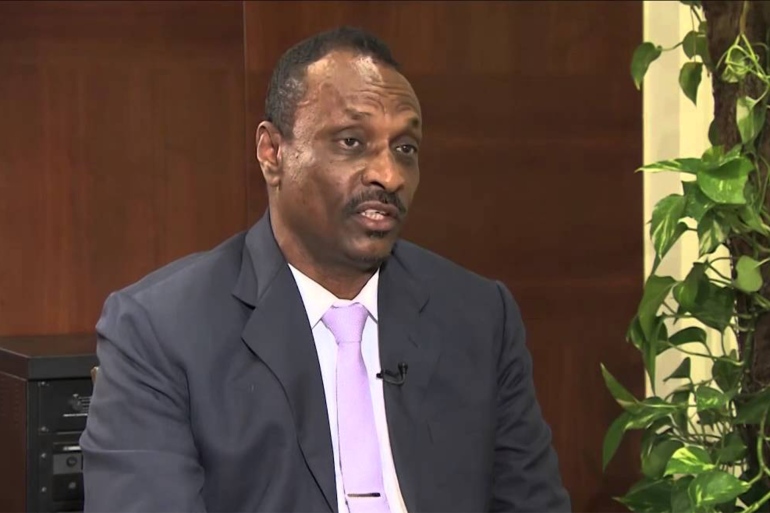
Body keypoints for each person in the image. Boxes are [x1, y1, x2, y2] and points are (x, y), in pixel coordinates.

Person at [80, 26, 571, 513]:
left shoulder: (480, 317)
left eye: (405, 148)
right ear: (273, 153)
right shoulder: (160, 330)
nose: (389, 175)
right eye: (352, 142)